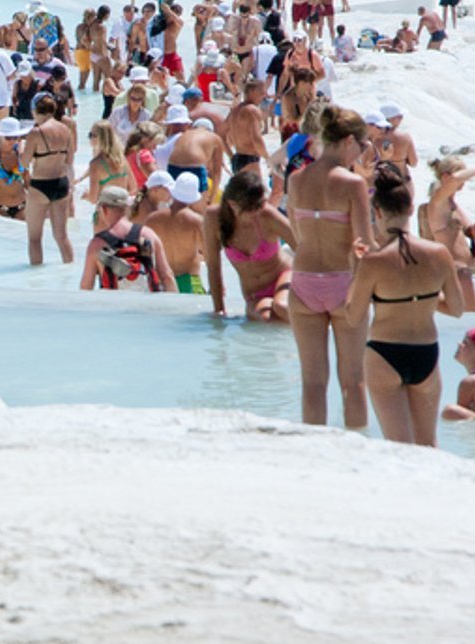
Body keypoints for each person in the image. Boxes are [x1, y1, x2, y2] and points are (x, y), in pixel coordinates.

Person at [346, 164, 465, 446]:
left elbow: (353, 316)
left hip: (385, 353)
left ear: (377, 212)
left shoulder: (373, 262)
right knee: (428, 448)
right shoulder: (438, 254)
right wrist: (420, 297)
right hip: (425, 351)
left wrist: (356, 269)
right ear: (411, 210)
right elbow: (458, 309)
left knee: (398, 448)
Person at [287, 106, 375, 427]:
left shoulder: (296, 180)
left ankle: (313, 455)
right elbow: (366, 242)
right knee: (353, 382)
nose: (362, 154)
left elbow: (297, 236)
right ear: (349, 141)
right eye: (363, 146)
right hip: (342, 283)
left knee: (312, 383)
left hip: (303, 281)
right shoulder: (352, 184)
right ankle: (356, 455)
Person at [205, 170, 293, 322]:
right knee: (266, 319)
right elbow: (213, 266)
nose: (258, 211)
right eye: (252, 208)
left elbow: (305, 247)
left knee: (281, 306)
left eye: (260, 205)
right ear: (232, 205)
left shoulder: (266, 215)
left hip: (284, 277)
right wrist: (219, 311)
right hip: (255, 295)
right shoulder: (214, 219)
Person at [424, 155, 475, 311]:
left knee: (466, 317)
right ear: (445, 177)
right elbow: (455, 179)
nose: (464, 180)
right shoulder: (438, 201)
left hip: (463, 270)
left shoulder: (453, 205)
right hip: (454, 270)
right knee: (466, 318)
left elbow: (472, 232)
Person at [81, 187, 173, 291]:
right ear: (127, 208)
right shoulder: (149, 235)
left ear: (104, 209)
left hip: (114, 305)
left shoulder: (97, 245)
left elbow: (86, 286)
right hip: (146, 305)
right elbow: (167, 277)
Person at [22, 94, 76, 266]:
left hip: (40, 184)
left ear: (36, 111)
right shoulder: (66, 129)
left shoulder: (36, 132)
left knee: (35, 238)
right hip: (60, 182)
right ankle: (70, 274)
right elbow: (69, 159)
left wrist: (22, 147)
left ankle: (35, 283)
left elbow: (24, 163)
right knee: (62, 236)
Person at [157, 172, 208, 295]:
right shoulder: (197, 222)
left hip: (161, 280)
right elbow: (209, 257)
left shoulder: (153, 219)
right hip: (188, 280)